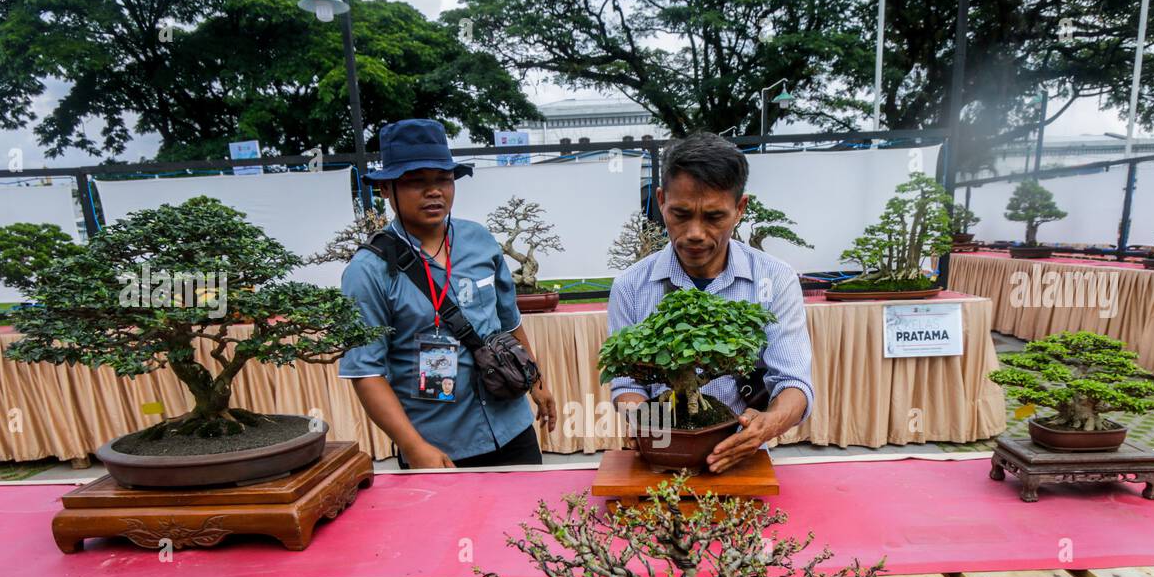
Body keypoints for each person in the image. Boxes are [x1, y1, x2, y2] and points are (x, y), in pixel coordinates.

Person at [339, 118, 557, 469]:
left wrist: (537, 382)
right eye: (415, 182)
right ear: (385, 189)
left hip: (512, 426)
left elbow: (508, 320)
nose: (434, 191)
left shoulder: (480, 240)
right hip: (437, 445)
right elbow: (366, 371)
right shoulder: (367, 271)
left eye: (443, 179)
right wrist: (413, 446)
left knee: (525, 522)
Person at [607, 132, 814, 473]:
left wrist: (770, 423)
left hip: (742, 457)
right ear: (661, 201)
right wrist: (643, 423)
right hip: (660, 461)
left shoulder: (774, 279)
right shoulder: (630, 286)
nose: (695, 233)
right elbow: (627, 383)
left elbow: (793, 381)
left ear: (739, 209)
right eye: (681, 214)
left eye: (714, 217)